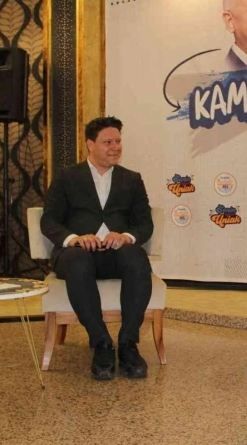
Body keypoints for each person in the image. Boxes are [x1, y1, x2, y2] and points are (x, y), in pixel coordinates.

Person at [41, 116, 154, 381]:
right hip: (76, 254)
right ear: (90, 145)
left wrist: (125, 236)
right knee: (78, 261)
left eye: (118, 141)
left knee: (137, 258)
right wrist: (74, 239)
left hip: (116, 253)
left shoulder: (132, 179)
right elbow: (49, 220)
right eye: (108, 142)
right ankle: (101, 343)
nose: (115, 147)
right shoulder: (67, 177)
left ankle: (128, 343)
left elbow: (145, 224)